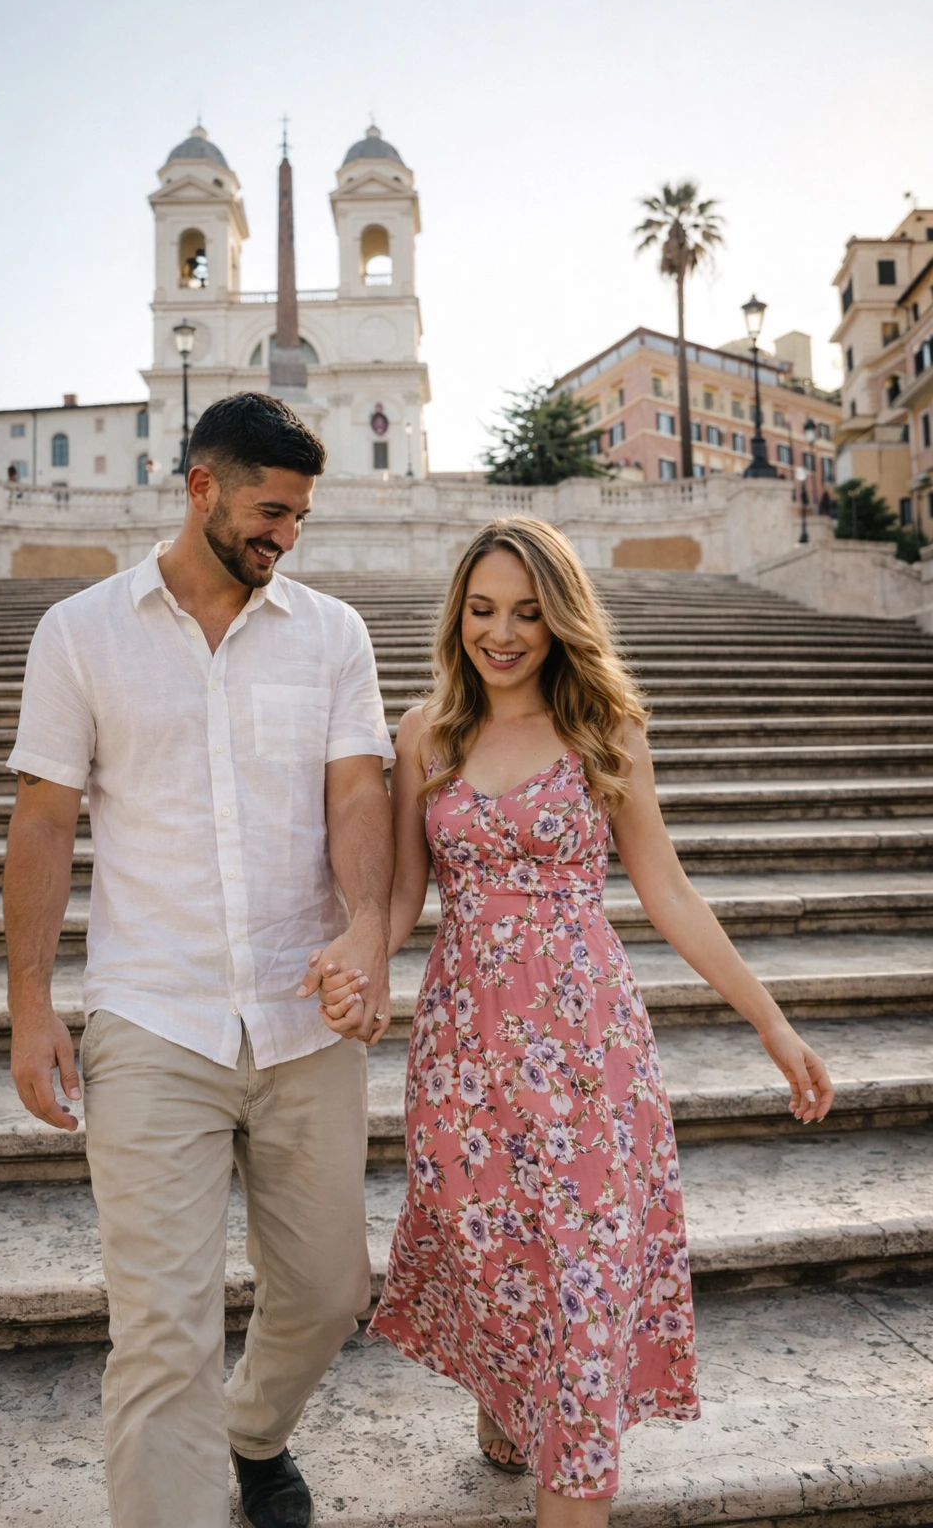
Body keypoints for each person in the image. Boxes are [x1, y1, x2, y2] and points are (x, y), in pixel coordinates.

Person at [315, 517, 834, 1525]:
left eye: (526, 612)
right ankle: (511, 1398)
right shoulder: (425, 734)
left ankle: (571, 1475)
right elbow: (396, 898)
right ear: (456, 614)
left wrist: (772, 1024)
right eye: (481, 610)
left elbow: (669, 894)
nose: (501, 633)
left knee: (584, 1278)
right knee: (497, 1255)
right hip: (465, 1054)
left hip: (590, 1054)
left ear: (559, 620)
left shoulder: (603, 730)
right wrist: (354, 961)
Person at [4, 391, 395, 1528]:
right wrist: (32, 1008)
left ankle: (252, 1434)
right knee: (163, 1333)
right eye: (270, 511)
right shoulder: (79, 633)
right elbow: (42, 822)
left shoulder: (331, 633)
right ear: (201, 489)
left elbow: (359, 793)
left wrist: (365, 930)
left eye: (301, 519)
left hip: (302, 1013)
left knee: (328, 1292)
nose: (285, 535)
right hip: (152, 1014)